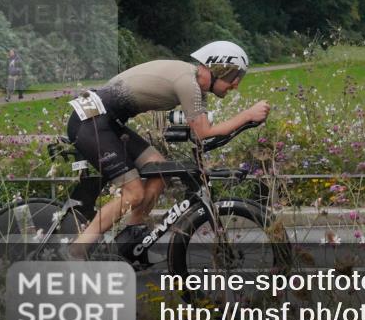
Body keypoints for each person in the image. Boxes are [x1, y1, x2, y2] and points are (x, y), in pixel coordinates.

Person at [67, 40, 270, 261]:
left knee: (159, 169)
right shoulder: (188, 83)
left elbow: (201, 134)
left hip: (107, 121)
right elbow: (204, 132)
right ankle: (77, 250)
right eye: (234, 78)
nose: (235, 85)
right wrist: (247, 115)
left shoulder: (196, 87)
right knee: (134, 193)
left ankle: (132, 239)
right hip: (92, 122)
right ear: (218, 69)